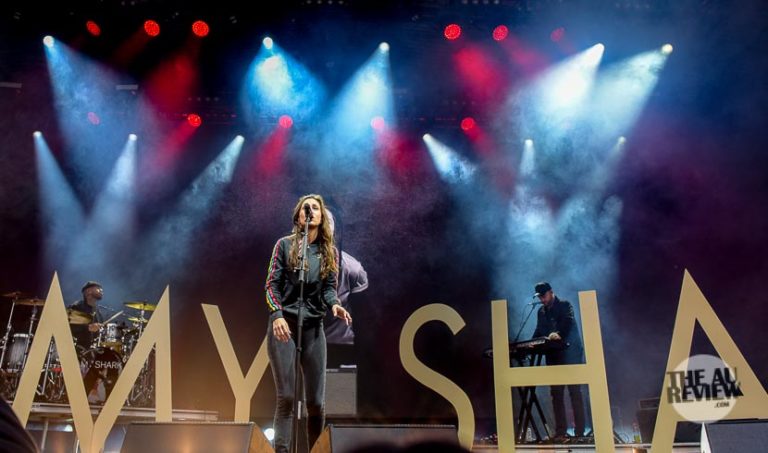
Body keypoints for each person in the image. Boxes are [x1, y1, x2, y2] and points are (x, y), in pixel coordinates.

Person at [265, 194, 353, 453]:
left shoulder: (328, 253)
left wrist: (334, 304)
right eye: (306, 208)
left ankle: (315, 450)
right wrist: (277, 315)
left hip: (313, 329)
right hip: (285, 327)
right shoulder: (284, 245)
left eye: (316, 208)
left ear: (322, 217)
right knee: (287, 397)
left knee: (315, 402)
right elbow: (272, 285)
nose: (310, 210)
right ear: (298, 216)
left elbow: (329, 289)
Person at [531, 281, 586, 442]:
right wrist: (532, 342)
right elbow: (539, 330)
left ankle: (580, 432)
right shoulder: (541, 312)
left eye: (544, 296)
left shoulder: (565, 305)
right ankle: (561, 432)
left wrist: (559, 334)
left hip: (571, 353)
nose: (542, 300)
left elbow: (568, 322)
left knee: (575, 392)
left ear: (551, 292)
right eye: (539, 297)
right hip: (554, 355)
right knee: (556, 394)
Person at [68, 281, 104, 350]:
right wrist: (88, 327)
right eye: (98, 288)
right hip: (76, 349)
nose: (101, 290)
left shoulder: (98, 313)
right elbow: (67, 326)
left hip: (93, 351)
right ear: (88, 291)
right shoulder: (77, 307)